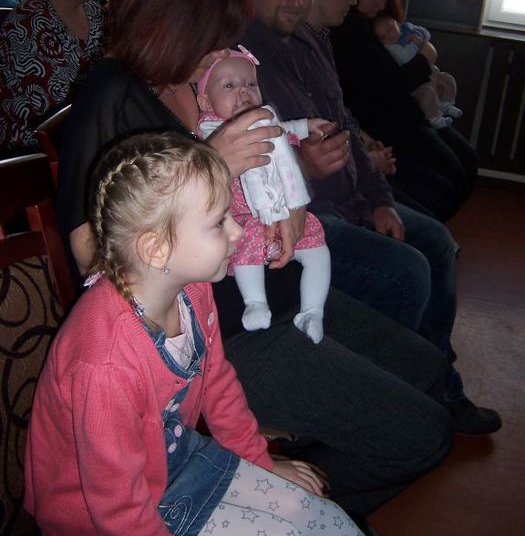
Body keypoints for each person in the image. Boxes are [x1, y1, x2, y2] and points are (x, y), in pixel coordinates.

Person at [56, 0, 456, 525]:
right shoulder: (112, 95)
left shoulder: (197, 79)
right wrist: (211, 167)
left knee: (428, 370)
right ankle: (270, 507)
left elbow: (263, 167)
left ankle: (282, 481)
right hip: (220, 328)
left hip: (276, 283)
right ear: (167, 23)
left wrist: (287, 195)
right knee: (423, 435)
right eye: (211, 33)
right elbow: (91, 256)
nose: (223, 47)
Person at [26, 131, 361, 535]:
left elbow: (219, 387)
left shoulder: (193, 290)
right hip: (103, 516)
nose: (238, 232)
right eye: (219, 222)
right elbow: (116, 508)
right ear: (156, 249)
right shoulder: (105, 364)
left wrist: (261, 463)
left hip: (177, 461)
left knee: (322, 518)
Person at [239, 0, 501, 437]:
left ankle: (436, 382)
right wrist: (304, 169)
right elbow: (241, 175)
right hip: (303, 220)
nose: (296, 1)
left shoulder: (310, 39)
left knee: (435, 241)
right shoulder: (237, 60)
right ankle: (392, 403)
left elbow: (345, 124)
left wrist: (380, 198)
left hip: (352, 198)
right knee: (406, 270)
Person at [330, 0, 478, 223]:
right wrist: (426, 57)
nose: (381, 4)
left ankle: (433, 230)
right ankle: (428, 231)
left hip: (412, 113)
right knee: (449, 180)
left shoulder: (381, 21)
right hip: (390, 124)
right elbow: (393, 85)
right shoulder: (348, 30)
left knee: (467, 161)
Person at [197, 45, 331, 342]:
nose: (243, 91)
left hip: (284, 213)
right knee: (247, 250)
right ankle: (255, 303)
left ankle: (312, 311)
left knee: (318, 249)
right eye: (229, 86)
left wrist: (307, 126)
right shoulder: (211, 131)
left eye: (251, 84)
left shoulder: (266, 120)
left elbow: (284, 129)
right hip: (246, 220)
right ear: (205, 101)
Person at [0, 0, 105, 155]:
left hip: (85, 134)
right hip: (34, 152)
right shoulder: (26, 24)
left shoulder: (94, 13)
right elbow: (52, 110)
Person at [373, 15, 462, 130]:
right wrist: (415, 43)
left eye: (391, 28)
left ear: (397, 24)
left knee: (448, 79)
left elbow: (426, 34)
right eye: (383, 37)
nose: (389, 35)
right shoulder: (392, 48)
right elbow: (406, 57)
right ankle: (434, 117)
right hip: (419, 82)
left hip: (432, 70)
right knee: (427, 93)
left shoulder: (407, 29)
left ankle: (447, 103)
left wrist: (418, 36)